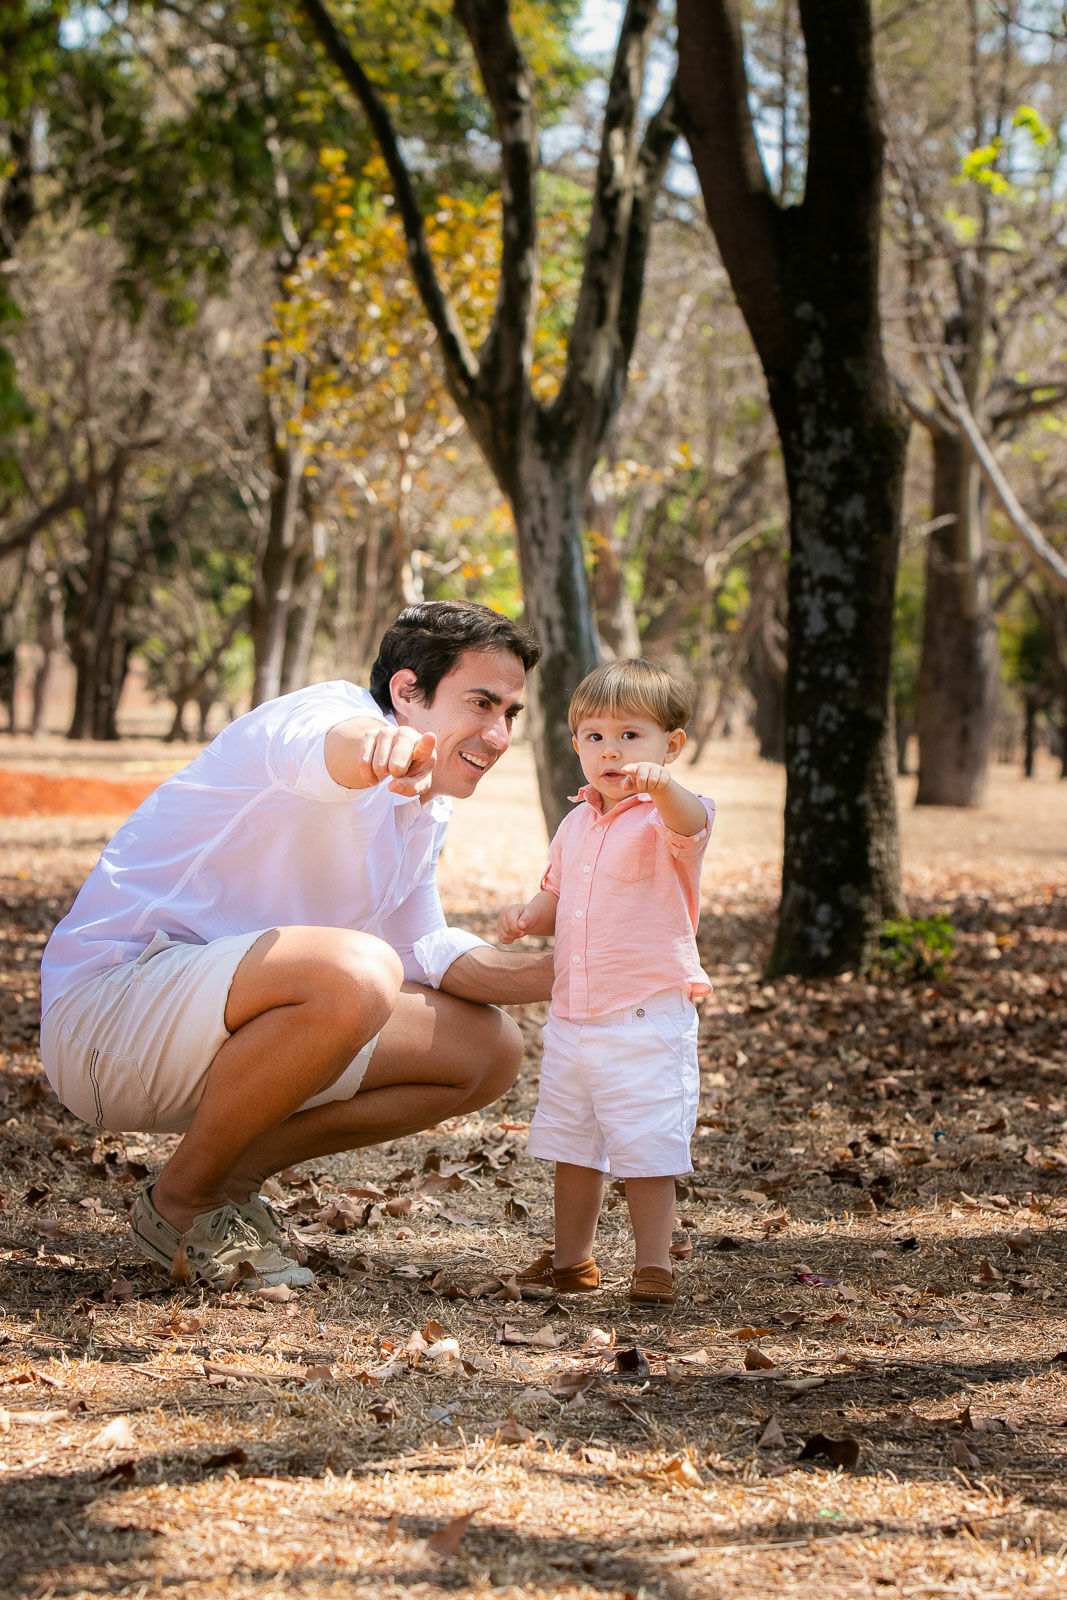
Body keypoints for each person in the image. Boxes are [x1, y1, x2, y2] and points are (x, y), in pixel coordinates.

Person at [39, 601, 553, 1289]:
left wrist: (571, 972)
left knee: (488, 1052)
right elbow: (331, 749)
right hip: (109, 1020)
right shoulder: (318, 715)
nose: (497, 734)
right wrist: (378, 749)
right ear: (406, 691)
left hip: (218, 1032)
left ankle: (231, 1184)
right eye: (481, 703)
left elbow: (427, 947)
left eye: (510, 713)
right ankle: (180, 1202)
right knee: (357, 969)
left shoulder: (425, 807)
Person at [497, 659, 714, 1307]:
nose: (610, 750)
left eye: (630, 735)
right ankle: (573, 1261)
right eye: (594, 737)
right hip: (574, 1015)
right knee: (573, 1140)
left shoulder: (669, 816)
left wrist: (662, 785)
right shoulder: (574, 823)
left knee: (645, 1142)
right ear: (574, 746)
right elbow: (555, 895)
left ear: (669, 746)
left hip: (644, 1013)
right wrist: (525, 919)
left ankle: (653, 1265)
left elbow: (688, 822)